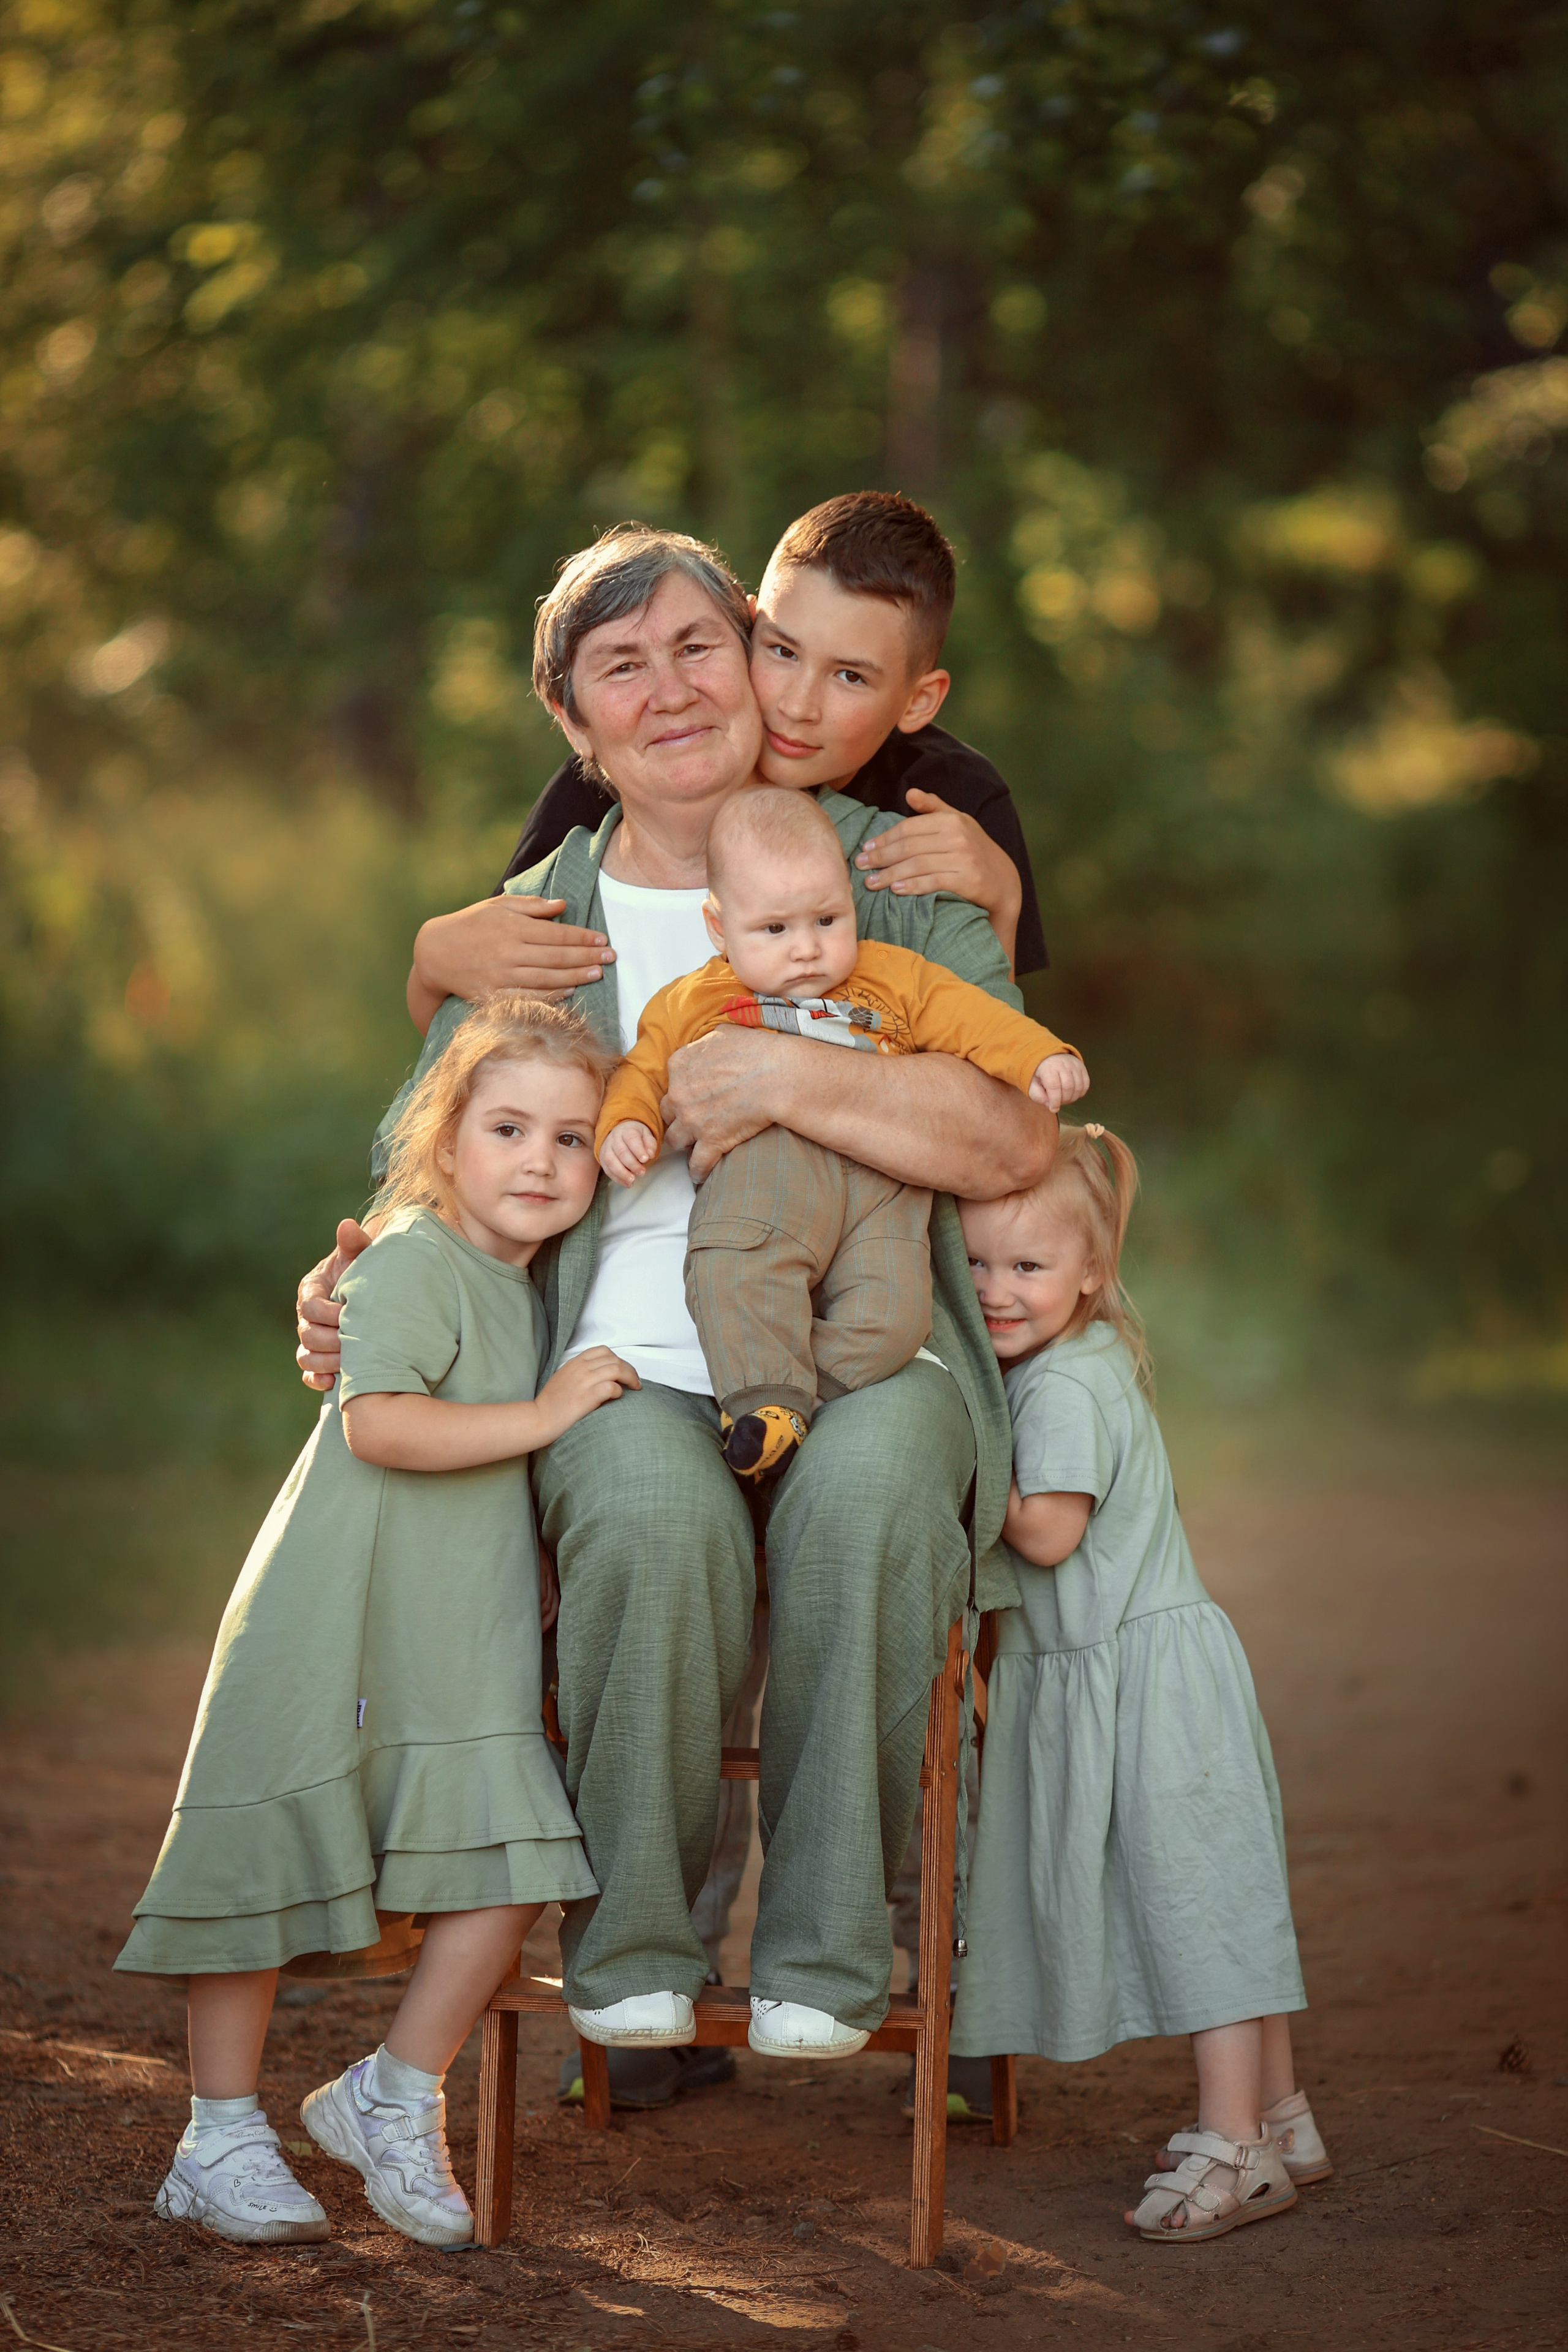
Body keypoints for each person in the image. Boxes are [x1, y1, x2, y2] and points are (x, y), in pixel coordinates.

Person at [297, 519, 1054, 2074]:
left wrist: (777, 1068)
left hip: (878, 1344)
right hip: (619, 1365)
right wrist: (354, 1282)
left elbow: (1007, 1135)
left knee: (869, 1498)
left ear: (755, 659)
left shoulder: (895, 874)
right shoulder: (533, 929)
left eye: (698, 643)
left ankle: (831, 1958)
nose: (670, 688)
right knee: (645, 1520)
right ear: (575, 730)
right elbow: (431, 1177)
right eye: (618, 669)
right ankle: (635, 1959)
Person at [119, 999, 638, 2248]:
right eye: (508, 1127)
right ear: (442, 1135)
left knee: (511, 1859)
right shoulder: (411, 1254)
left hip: (458, 1637)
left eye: (573, 1140)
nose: (540, 1161)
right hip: (336, 1620)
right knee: (266, 1857)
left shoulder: (529, 1289)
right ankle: (218, 2134)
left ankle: (394, 2092)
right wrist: (549, 1418)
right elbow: (380, 1424)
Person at [950, 1125, 1332, 2243]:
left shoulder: (1059, 1391)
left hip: (1143, 1686)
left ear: (1090, 1273)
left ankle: (1236, 2150)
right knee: (1219, 1894)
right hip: (1155, 1672)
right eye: (973, 1264)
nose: (996, 1290)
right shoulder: (1086, 1359)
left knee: (1196, 1912)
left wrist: (957, 1472)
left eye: (1026, 1267)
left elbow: (1050, 1534)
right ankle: (1282, 2115)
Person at [402, 491, 1047, 1041]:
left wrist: (1005, 899)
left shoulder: (952, 797)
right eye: (782, 652)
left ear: (917, 701)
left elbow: (990, 1040)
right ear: (746, 624)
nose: (797, 707)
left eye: (850, 676)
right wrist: (430, 960)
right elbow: (495, 968)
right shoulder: (607, 792)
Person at [597, 784, 1087, 1483]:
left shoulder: (894, 979)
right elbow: (641, 1071)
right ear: (718, 926)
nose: (806, 949)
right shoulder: (694, 999)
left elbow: (978, 1024)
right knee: (734, 1270)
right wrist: (624, 1125)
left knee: (894, 1315)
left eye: (827, 919)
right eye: (775, 930)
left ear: (852, 905)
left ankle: (798, 1398)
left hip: (881, 1185)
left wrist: (1040, 1057)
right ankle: (764, 1395)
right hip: (762, 1178)